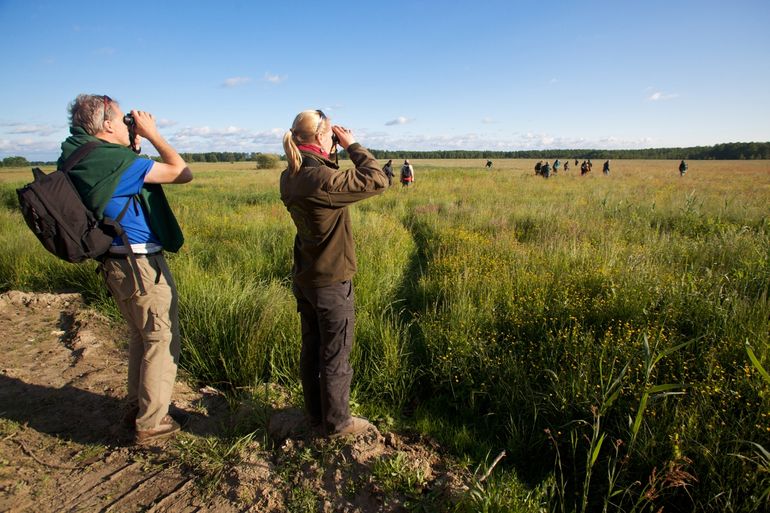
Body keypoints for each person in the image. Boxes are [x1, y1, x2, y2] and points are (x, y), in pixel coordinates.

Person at [59, 94, 192, 444]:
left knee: (140, 335)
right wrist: (152, 135)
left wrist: (130, 145)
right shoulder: (111, 161)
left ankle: (139, 406)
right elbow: (182, 172)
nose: (127, 124)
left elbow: (117, 188)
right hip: (139, 265)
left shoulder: (80, 155)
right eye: (121, 120)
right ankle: (151, 423)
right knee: (159, 339)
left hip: (115, 263)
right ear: (106, 125)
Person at [280, 110, 387, 439]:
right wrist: (352, 145)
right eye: (331, 135)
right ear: (320, 137)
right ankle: (339, 425)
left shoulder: (292, 174)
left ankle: (315, 417)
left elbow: (327, 182)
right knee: (336, 356)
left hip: (307, 278)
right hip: (331, 283)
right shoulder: (319, 180)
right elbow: (378, 180)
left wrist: (331, 151)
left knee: (312, 351)